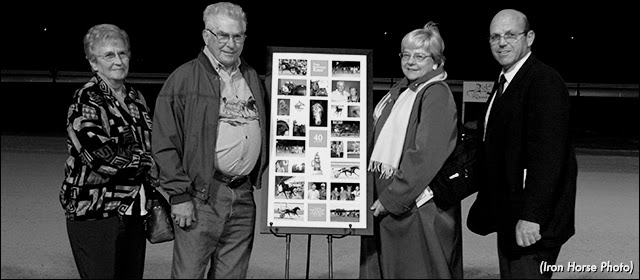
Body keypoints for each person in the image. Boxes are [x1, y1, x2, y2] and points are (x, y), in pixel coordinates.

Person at [151, 2, 269, 279]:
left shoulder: (251, 76)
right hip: (200, 196)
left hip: (242, 195)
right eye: (223, 35)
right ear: (207, 36)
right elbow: (164, 141)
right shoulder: (183, 78)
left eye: (237, 36)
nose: (231, 43)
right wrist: (179, 195)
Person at [468, 9, 578, 279]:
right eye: (495, 37)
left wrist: (532, 217)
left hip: (533, 227)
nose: (501, 43)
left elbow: (548, 158)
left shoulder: (544, 81)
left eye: (510, 35)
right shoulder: (506, 80)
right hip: (510, 218)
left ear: (529, 37)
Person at [359, 22, 462, 279]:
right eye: (406, 54)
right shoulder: (403, 90)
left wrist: (391, 199)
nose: (411, 61)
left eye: (420, 56)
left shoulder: (435, 93)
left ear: (436, 61)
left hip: (414, 210)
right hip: (390, 208)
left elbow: (425, 155)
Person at [59, 23, 153, 279]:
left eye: (122, 53)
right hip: (94, 213)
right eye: (108, 55)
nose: (118, 61)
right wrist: (148, 162)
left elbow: (148, 142)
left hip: (133, 211)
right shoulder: (86, 98)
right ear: (93, 63)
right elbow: (99, 156)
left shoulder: (136, 97)